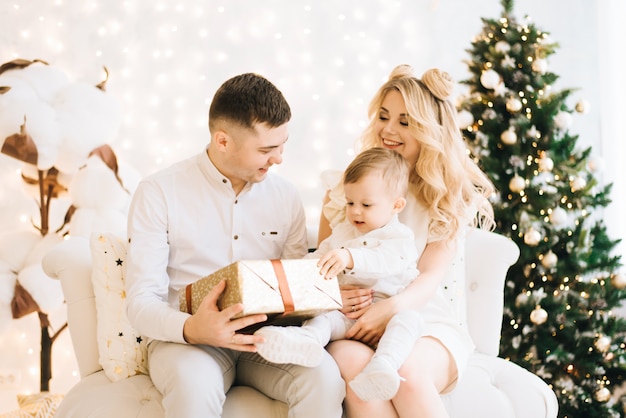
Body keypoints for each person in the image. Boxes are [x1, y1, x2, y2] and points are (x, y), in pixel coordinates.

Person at [124, 72, 344, 418]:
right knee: (193, 387)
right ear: (222, 140)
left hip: (268, 339)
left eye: (283, 145)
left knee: (325, 379)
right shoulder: (159, 192)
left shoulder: (286, 196)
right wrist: (191, 329)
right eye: (267, 149)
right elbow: (140, 303)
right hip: (190, 341)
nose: (279, 159)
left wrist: (331, 293)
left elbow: (296, 289)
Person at [323, 65, 496, 418]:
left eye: (405, 121)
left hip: (423, 320)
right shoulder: (346, 188)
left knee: (406, 372)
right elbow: (321, 261)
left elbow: (429, 277)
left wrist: (388, 310)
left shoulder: (444, 197)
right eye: (384, 117)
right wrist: (336, 297)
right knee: (357, 372)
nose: (389, 129)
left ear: (430, 130)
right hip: (355, 318)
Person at [252, 147, 423, 401]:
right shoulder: (344, 232)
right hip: (347, 314)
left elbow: (386, 261)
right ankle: (306, 341)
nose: (355, 211)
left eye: (366, 205)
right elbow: (320, 256)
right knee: (325, 317)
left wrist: (350, 257)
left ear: (396, 206)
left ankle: (384, 366)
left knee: (410, 321)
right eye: (350, 203)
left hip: (384, 316)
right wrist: (299, 272)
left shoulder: (399, 238)